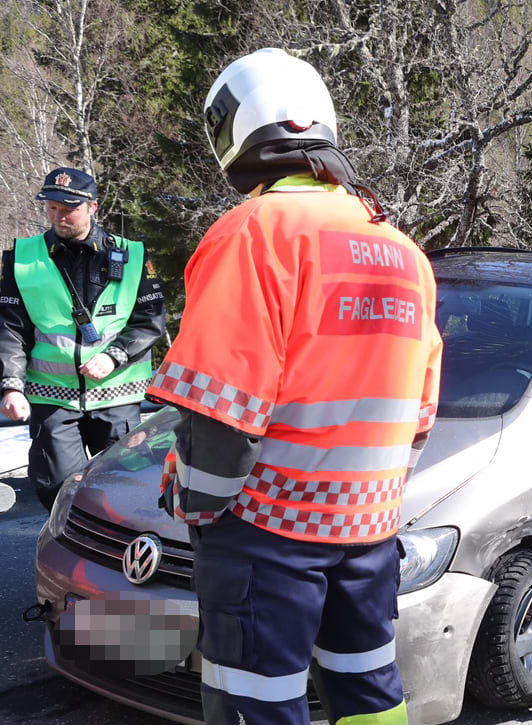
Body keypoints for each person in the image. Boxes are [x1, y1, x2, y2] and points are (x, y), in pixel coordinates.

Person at [146, 48, 441, 724]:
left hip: (266, 531)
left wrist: (191, 499)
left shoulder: (254, 233)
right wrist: (366, 500)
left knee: (255, 702)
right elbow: (420, 413)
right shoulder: (403, 251)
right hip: (368, 529)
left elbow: (222, 409)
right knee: (370, 691)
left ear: (234, 130)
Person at [0, 167, 166, 508]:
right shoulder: (22, 259)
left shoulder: (132, 255)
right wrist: (11, 385)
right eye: (52, 207)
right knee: (58, 491)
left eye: (68, 208)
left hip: (116, 397)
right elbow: (9, 328)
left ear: (93, 207)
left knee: (125, 490)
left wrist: (114, 356)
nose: (58, 216)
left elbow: (150, 321)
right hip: (53, 399)